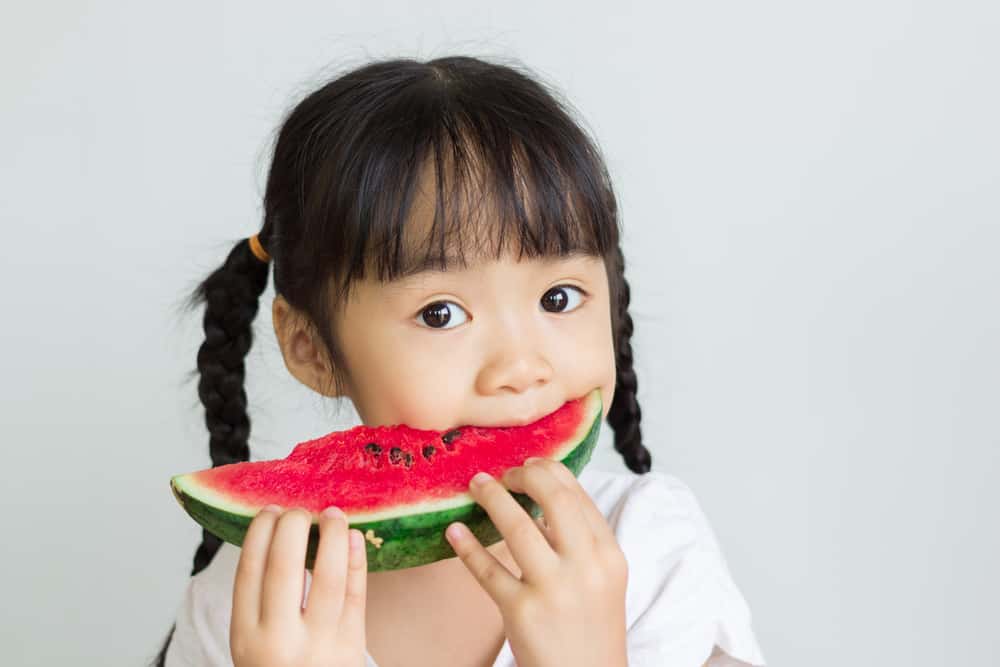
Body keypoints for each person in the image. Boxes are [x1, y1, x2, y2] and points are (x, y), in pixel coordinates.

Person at [152, 55, 767, 667]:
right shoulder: (253, 603)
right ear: (312, 349)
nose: (521, 366)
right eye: (441, 313)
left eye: (559, 297)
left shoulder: (651, 545)